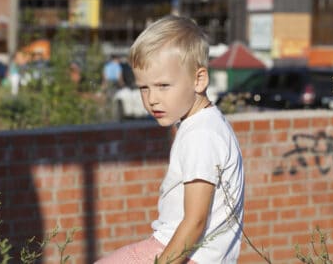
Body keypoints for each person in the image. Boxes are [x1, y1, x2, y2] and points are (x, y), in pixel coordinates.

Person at [95, 15, 244, 264]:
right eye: (144, 87)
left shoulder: (201, 135)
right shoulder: (204, 124)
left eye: (163, 85)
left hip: (183, 254)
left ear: (199, 80)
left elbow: (195, 221)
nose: (152, 98)